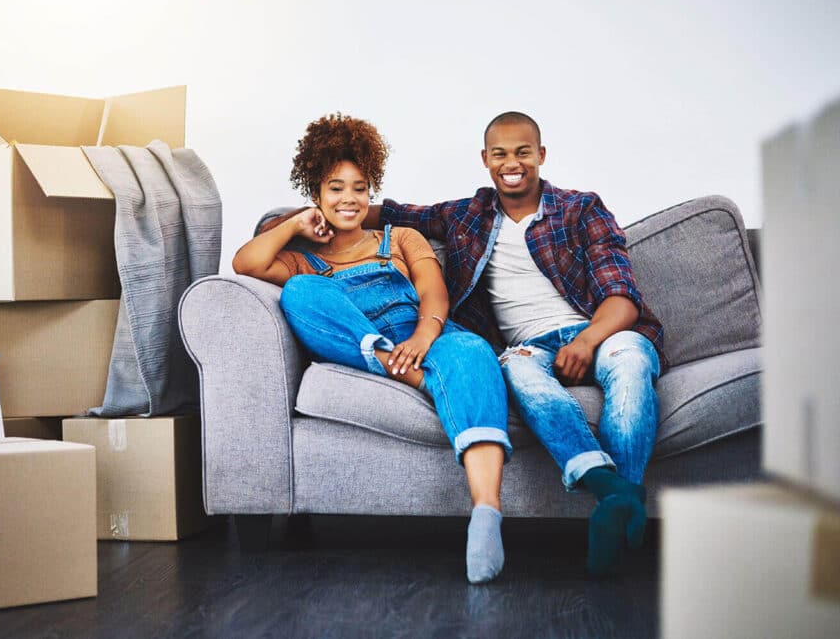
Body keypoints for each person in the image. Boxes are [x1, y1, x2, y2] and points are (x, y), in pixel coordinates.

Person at [266, 111, 664, 575]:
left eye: (522, 152)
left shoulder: (581, 209)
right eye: (500, 154)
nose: (511, 163)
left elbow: (622, 296)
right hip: (524, 347)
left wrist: (591, 338)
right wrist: (301, 219)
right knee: (515, 372)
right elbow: (378, 211)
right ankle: (609, 491)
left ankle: (620, 498)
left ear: (541, 155)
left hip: (600, 331)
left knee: (630, 361)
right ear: (485, 159)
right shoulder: (466, 216)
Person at [234, 113, 514, 584]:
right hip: (360, 341)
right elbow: (247, 263)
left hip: (422, 334)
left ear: (371, 191)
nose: (349, 199)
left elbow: (433, 293)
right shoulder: (304, 258)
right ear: (317, 195)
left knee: (474, 355)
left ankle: (486, 515)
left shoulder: (401, 237)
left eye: (359, 188)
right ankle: (403, 371)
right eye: (335, 188)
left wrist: (425, 337)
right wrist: (294, 223)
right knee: (302, 292)